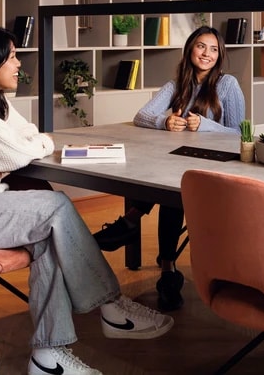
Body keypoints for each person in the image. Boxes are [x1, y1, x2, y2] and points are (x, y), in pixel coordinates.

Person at [0, 26, 173, 375]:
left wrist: (35, 141)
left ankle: (47, 358)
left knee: (49, 236)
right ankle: (111, 306)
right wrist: (43, 144)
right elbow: (17, 152)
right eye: (13, 56)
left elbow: (25, 132)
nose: (19, 63)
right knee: (57, 206)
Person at [93, 25, 246, 311]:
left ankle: (132, 225)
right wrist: (164, 122)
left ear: (220, 55)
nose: (207, 53)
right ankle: (166, 268)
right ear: (190, 49)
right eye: (201, 46)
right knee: (168, 180)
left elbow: (239, 132)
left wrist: (205, 125)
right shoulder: (175, 85)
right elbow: (142, 115)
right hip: (180, 163)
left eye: (213, 49)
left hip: (215, 168)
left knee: (175, 186)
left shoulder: (228, 85)